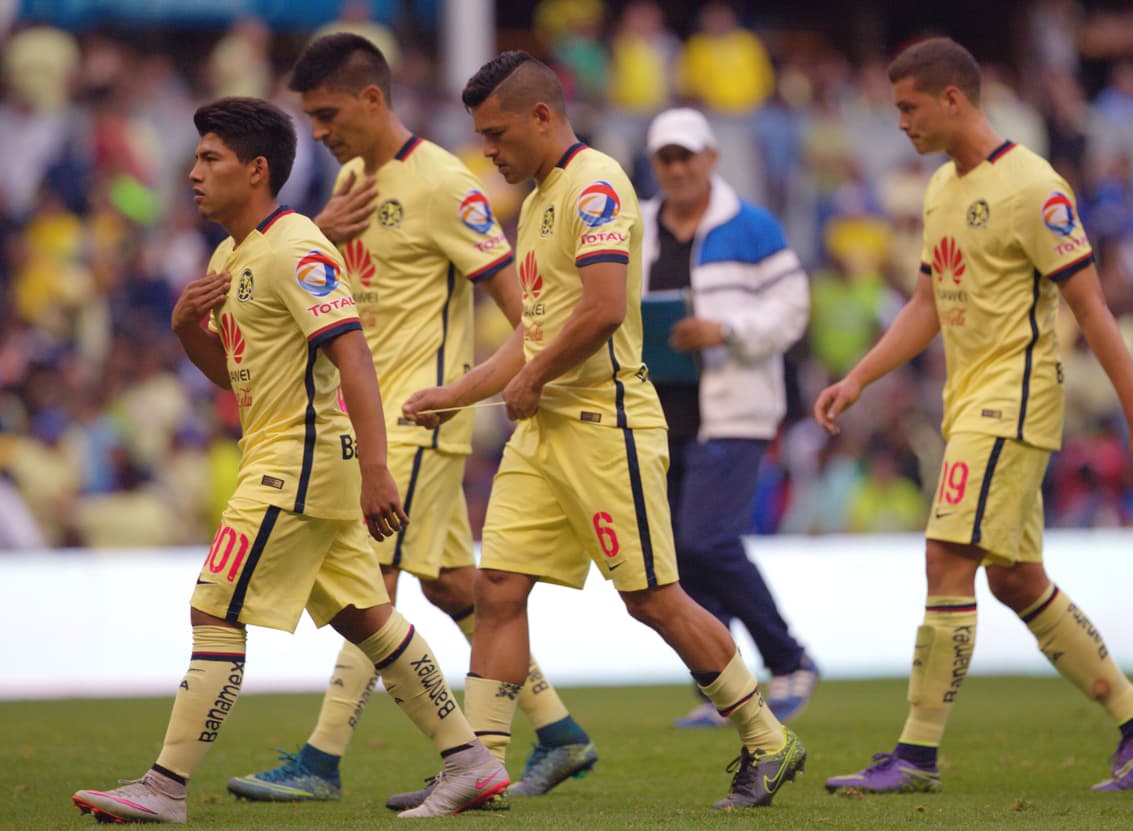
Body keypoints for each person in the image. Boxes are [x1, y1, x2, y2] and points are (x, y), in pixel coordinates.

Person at [71, 97, 507, 824]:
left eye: (210, 158)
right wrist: (187, 330)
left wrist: (376, 466)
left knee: (213, 608)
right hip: (288, 454)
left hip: (298, 459)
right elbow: (237, 376)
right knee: (369, 618)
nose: (194, 173)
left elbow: (353, 352)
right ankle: (469, 759)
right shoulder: (231, 255)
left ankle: (165, 786)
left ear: (257, 169)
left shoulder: (295, 245)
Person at [404, 51, 806, 810]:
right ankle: (479, 766)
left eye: (496, 133)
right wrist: (457, 392)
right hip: (546, 427)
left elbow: (603, 308)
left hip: (604, 423)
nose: (488, 150)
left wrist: (530, 378)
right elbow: (536, 332)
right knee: (498, 588)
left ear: (543, 116)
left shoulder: (597, 184)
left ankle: (767, 735)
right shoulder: (537, 201)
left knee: (655, 599)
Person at [222, 34, 595, 810]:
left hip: (417, 419)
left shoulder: (442, 183)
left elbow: (517, 303)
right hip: (378, 419)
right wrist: (322, 224)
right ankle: (559, 732)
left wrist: (517, 380)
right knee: (455, 586)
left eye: (327, 114)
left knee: (371, 583)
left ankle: (323, 757)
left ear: (372, 99)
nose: (320, 132)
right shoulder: (355, 178)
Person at [815, 37, 1133, 795]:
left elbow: (1091, 306)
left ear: (954, 99)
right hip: (969, 403)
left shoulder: (1034, 188)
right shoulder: (940, 190)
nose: (902, 125)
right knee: (1015, 578)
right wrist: (857, 376)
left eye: (910, 108)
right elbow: (927, 303)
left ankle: (915, 754)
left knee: (946, 559)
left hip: (1013, 400)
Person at [639, 107, 818, 729]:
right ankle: (729, 688)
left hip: (735, 409)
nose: (678, 168)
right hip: (659, 413)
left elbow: (793, 309)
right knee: (686, 558)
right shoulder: (638, 228)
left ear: (711, 157)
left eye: (687, 155)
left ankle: (789, 658)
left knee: (705, 540)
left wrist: (727, 329)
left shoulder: (753, 226)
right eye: (667, 157)